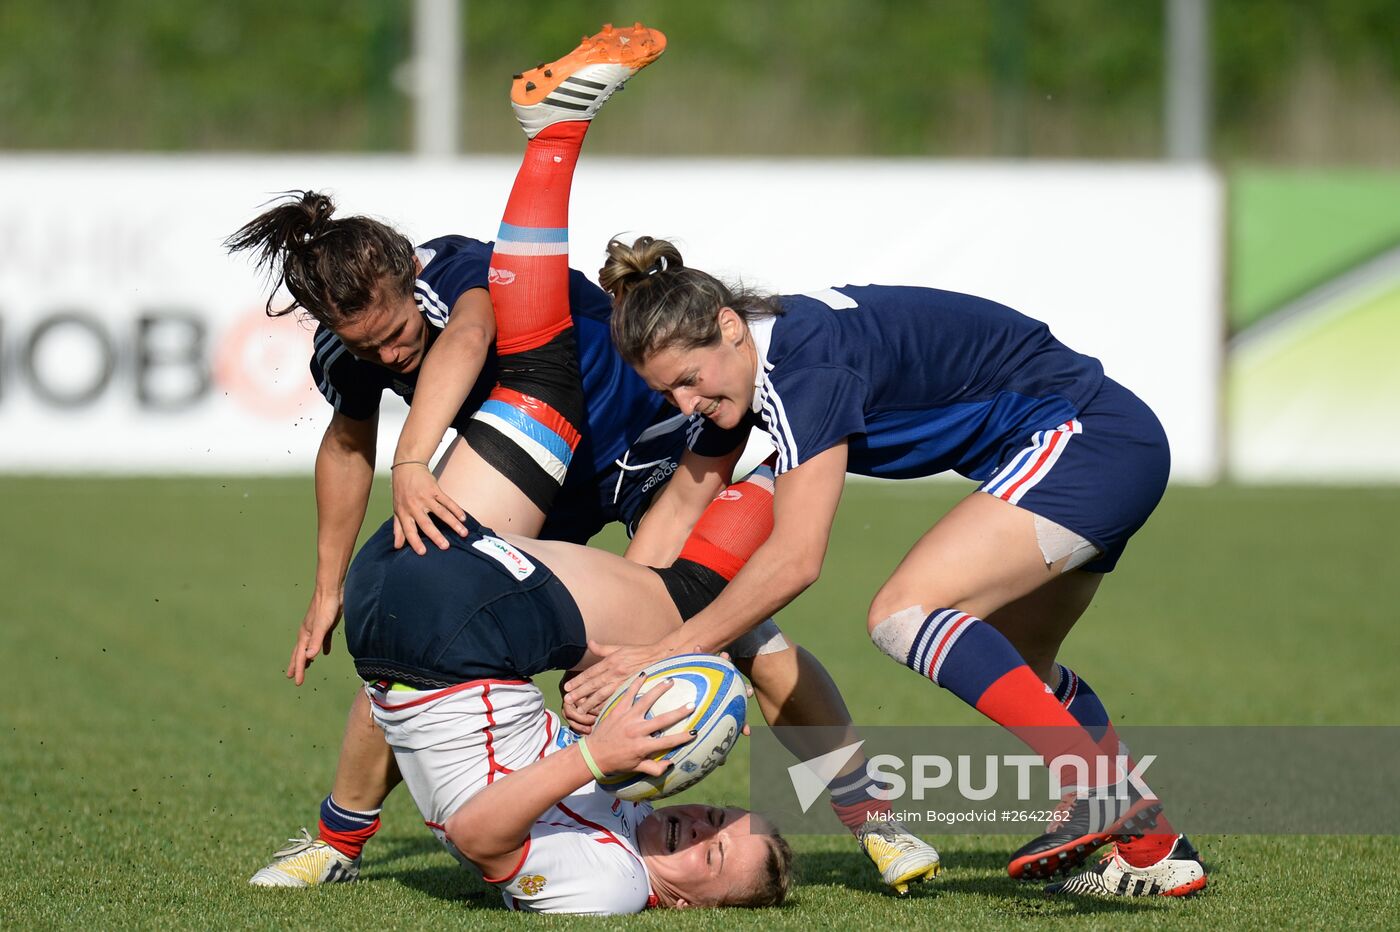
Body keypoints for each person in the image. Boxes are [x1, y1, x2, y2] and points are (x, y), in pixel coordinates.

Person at [228, 24, 937, 893]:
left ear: (409, 277)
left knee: (748, 637)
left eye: (396, 338)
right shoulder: (353, 347)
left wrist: (413, 461)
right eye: (362, 348)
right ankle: (340, 840)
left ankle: (877, 821)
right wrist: (329, 583)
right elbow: (344, 446)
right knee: (425, 638)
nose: (387, 358)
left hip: (640, 453)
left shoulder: (454, 273)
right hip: (540, 486)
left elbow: (477, 332)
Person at [563, 236, 1209, 898]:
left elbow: (795, 560)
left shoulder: (803, 370)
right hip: (1105, 445)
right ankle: (1152, 845)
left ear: (729, 326)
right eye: (665, 391)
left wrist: (662, 653)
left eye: (688, 381)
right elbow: (673, 518)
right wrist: (601, 655)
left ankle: (1094, 788)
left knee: (905, 612)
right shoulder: (755, 364)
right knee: (1024, 666)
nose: (682, 406)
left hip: (1087, 440)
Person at [342, 497, 795, 913]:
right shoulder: (633, 799)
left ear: (693, 908)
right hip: (411, 608)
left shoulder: (618, 885)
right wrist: (683, 691)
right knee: (681, 610)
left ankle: (788, 452)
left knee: (697, 599)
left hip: (451, 636)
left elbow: (473, 836)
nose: (699, 830)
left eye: (712, 853)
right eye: (715, 817)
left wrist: (594, 755)